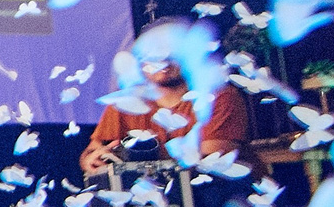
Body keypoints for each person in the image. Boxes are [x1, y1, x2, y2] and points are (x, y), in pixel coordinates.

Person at [80, 57, 251, 174]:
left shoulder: (218, 96)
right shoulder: (125, 103)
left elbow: (210, 163)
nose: (162, 60)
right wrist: (92, 160)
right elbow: (90, 152)